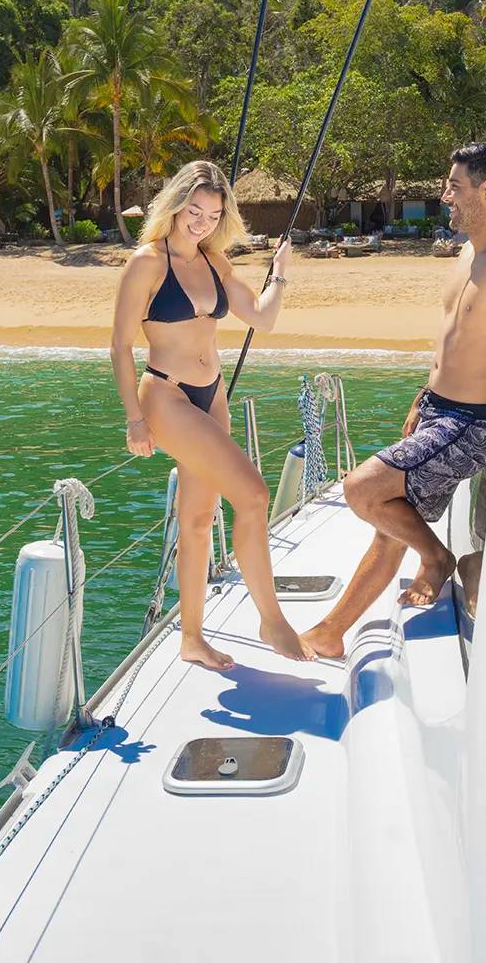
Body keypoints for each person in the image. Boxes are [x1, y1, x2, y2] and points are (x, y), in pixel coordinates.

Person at [301, 142, 486, 658]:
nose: (445, 197)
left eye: (454, 187)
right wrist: (423, 394)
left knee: (361, 490)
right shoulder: (468, 251)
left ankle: (437, 558)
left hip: (469, 423)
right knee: (391, 524)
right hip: (436, 409)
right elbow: (454, 337)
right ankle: (331, 632)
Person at [111, 160, 313, 669]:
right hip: (168, 396)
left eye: (212, 215)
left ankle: (192, 639)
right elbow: (119, 346)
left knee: (199, 520)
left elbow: (261, 319)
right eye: (194, 210)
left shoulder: (215, 261)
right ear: (176, 204)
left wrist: (280, 275)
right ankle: (272, 620)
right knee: (254, 494)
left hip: (213, 393)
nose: (200, 222)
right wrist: (135, 419)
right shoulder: (147, 263)